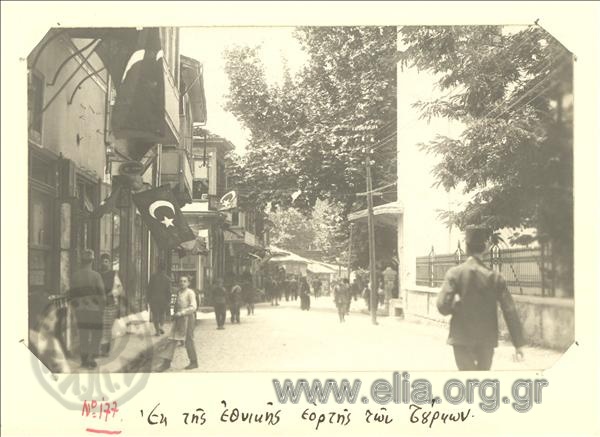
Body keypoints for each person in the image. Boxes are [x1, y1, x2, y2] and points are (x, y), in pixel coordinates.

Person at [437, 226, 526, 371]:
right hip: (486, 339)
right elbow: (509, 310)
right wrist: (518, 343)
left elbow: (442, 306)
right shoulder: (495, 277)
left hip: (461, 338)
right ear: (486, 247)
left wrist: (456, 306)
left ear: (466, 247)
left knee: (468, 382)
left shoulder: (454, 273)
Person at [68, 249, 106, 369]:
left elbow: (71, 295)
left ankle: (84, 360)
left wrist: (76, 307)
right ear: (92, 261)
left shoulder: (75, 276)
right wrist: (102, 308)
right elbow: (102, 295)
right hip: (94, 311)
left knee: (83, 334)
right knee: (96, 334)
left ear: (82, 261)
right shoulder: (96, 276)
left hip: (80, 310)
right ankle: (91, 358)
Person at [155, 276, 199, 371]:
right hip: (178, 319)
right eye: (180, 281)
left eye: (184, 281)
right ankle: (166, 363)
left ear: (188, 283)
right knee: (172, 339)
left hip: (188, 318)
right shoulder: (179, 292)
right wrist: (174, 314)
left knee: (188, 340)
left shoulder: (190, 293)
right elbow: (175, 306)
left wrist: (182, 312)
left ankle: (194, 362)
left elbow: (193, 307)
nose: (182, 283)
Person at [99, 253, 122, 356]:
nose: (104, 263)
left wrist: (112, 293)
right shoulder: (98, 274)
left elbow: (119, 288)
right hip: (99, 304)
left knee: (107, 327)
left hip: (110, 304)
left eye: (106, 261)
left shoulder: (113, 274)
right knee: (102, 327)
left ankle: (105, 350)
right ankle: (102, 348)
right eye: (103, 261)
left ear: (109, 263)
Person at [147, 262, 172, 337]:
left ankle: (157, 331)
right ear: (164, 269)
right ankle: (161, 326)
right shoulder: (168, 279)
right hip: (163, 299)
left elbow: (149, 289)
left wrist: (148, 299)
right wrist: (169, 301)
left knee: (155, 315)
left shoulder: (153, 277)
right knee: (162, 314)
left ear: (157, 268)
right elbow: (169, 291)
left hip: (154, 299)